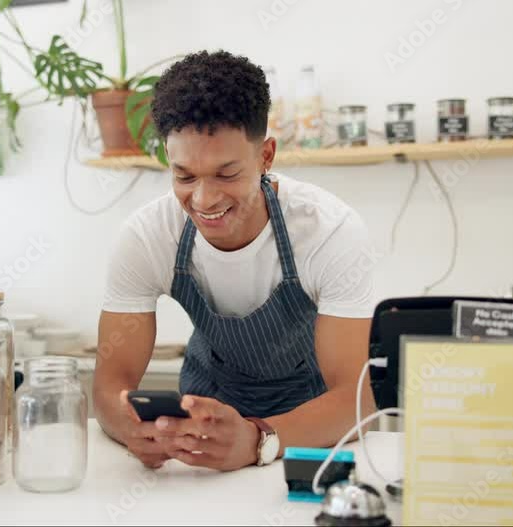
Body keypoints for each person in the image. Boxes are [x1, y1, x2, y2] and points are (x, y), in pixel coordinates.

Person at [94, 50, 381, 472]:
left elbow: (355, 401)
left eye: (226, 174)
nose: (204, 199)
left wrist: (257, 440)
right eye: (184, 176)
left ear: (266, 156)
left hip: (312, 440)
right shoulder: (147, 236)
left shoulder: (330, 232)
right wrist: (132, 428)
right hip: (198, 441)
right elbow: (108, 385)